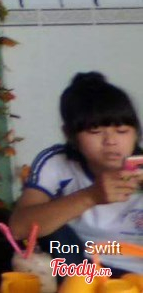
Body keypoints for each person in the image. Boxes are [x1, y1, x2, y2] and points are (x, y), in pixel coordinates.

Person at [10, 72, 143, 275]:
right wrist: (91, 196)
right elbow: (19, 228)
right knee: (52, 233)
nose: (111, 141)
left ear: (136, 134)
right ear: (70, 134)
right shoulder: (57, 162)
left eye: (122, 131)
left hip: (136, 274)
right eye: (95, 132)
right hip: (79, 267)